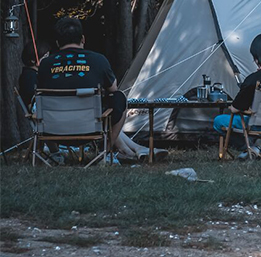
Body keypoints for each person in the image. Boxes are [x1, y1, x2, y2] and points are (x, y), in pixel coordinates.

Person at [35, 16, 162, 161]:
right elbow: (113, 89)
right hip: (89, 129)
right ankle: (106, 153)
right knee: (119, 98)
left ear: (57, 42)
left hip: (54, 130)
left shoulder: (45, 65)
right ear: (83, 39)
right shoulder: (98, 60)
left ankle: (54, 154)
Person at [18, 41, 47, 111]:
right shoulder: (29, 76)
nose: (48, 60)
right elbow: (31, 101)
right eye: (45, 57)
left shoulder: (34, 74)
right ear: (33, 60)